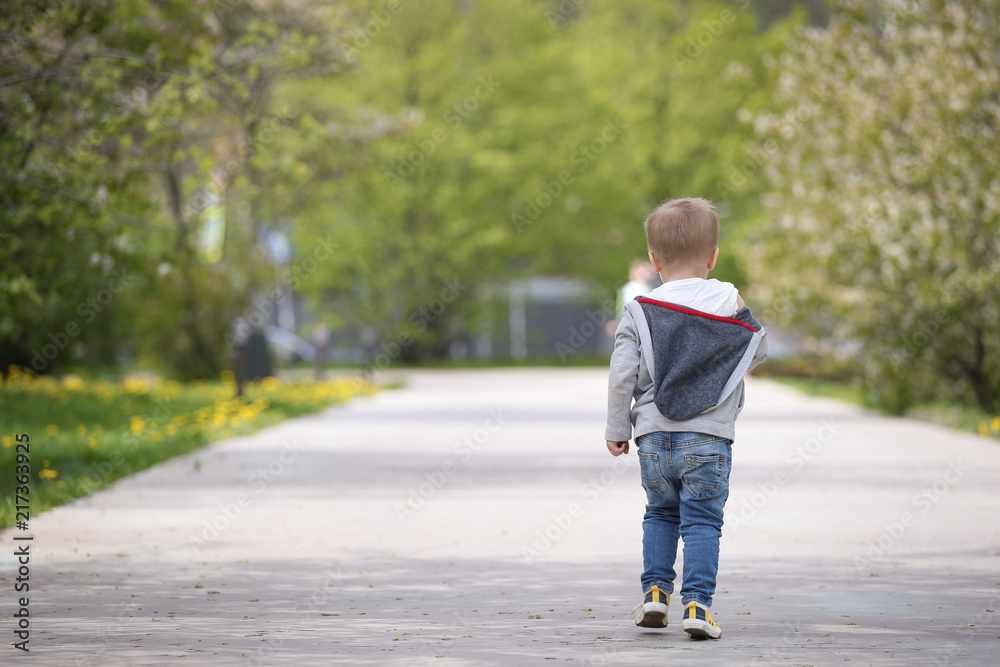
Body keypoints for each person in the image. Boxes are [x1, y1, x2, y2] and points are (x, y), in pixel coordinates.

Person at [604, 197, 767, 639]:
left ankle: (655, 595)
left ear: (654, 261)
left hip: (654, 438)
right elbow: (758, 346)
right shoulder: (729, 298)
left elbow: (623, 375)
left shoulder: (640, 308)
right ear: (713, 257)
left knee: (660, 513)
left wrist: (618, 428)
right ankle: (698, 605)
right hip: (709, 439)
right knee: (702, 521)